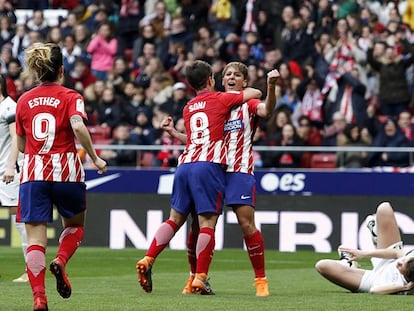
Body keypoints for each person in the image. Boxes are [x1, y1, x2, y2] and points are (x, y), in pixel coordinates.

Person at [136, 60, 263, 295]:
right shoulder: (220, 99)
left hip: (184, 164)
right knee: (207, 223)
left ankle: (148, 258)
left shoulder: (189, 107)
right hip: (208, 166)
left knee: (174, 219)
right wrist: (247, 89)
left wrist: (174, 133)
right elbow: (255, 92)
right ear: (211, 80)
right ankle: (200, 278)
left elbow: (196, 138)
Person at [161, 62, 280, 296]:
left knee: (246, 223)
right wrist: (175, 134)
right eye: (228, 74)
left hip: (238, 170)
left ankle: (260, 280)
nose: (232, 77)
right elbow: (199, 140)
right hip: (211, 169)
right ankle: (195, 278)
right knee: (198, 226)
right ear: (221, 80)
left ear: (244, 82)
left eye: (237, 75)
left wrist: (271, 87)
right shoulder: (214, 103)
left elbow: (267, 111)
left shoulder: (248, 104)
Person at [15, 42, 107, 311]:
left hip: (34, 173)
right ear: (61, 70)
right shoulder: (71, 95)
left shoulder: (23, 100)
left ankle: (39, 298)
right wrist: (94, 157)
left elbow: (21, 146)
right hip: (67, 172)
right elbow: (77, 126)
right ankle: (62, 260)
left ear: (37, 71)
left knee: (35, 241)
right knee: (75, 226)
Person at [315, 201, 414, 294]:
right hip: (387, 260)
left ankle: (347, 262)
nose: (399, 262)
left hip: (373, 280)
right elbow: (396, 253)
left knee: (322, 266)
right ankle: (377, 235)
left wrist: (404, 288)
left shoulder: (402, 286)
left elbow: (374, 291)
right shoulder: (410, 259)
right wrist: (363, 253)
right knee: (384, 208)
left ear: (406, 277)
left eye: (401, 266)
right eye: (404, 260)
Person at [0, 74, 27, 282]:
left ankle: (31, 269)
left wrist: (10, 166)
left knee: (17, 216)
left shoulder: (10, 106)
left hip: (8, 171)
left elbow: (17, 136)